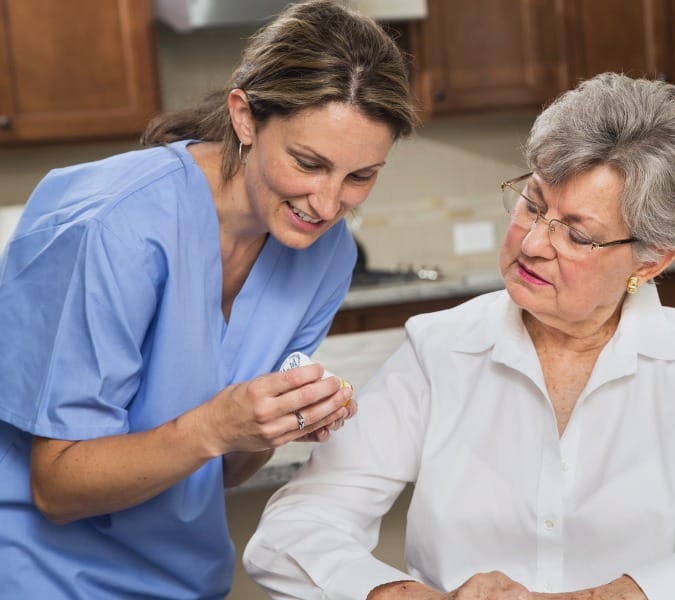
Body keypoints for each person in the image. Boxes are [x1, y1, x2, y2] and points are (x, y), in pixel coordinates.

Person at [243, 72, 675, 600]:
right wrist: (395, 594)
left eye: (578, 233)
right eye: (533, 204)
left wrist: (617, 595)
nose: (535, 243)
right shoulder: (439, 349)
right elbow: (293, 529)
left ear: (650, 261)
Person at [0, 1, 416, 598]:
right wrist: (215, 426)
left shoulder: (326, 255)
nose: (328, 205)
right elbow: (58, 488)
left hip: (186, 580)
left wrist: (274, 422)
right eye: (308, 163)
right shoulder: (113, 228)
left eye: (360, 177)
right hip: (43, 576)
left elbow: (218, 470)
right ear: (245, 117)